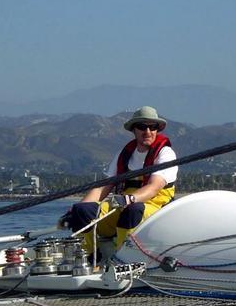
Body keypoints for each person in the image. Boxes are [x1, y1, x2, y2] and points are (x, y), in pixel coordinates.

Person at [67, 106, 177, 252]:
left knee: (133, 209)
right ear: (134, 130)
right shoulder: (124, 154)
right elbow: (103, 187)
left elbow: (153, 187)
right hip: (122, 206)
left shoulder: (165, 153)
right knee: (82, 210)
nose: (148, 132)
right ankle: (89, 255)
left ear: (157, 129)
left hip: (153, 210)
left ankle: (122, 256)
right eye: (142, 127)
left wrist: (129, 199)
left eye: (153, 127)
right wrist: (73, 213)